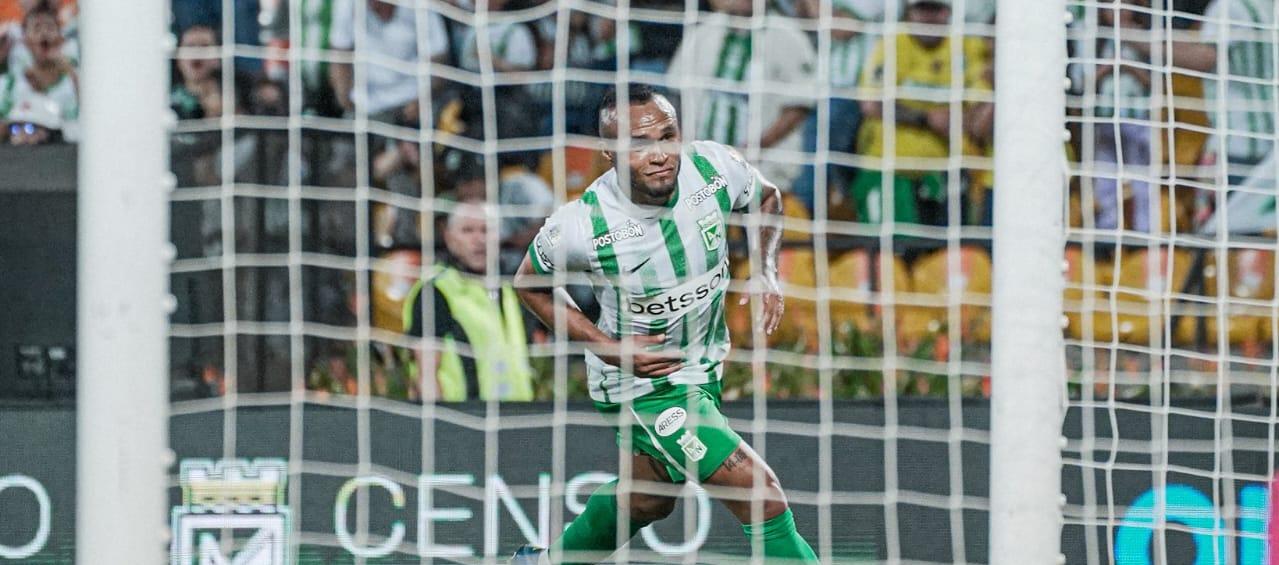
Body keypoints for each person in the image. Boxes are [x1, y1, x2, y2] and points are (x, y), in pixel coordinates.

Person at [510, 84, 817, 564]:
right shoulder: (582, 224)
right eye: (639, 145)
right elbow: (529, 282)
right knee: (760, 495)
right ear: (610, 152)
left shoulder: (713, 168)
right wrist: (608, 347)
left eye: (668, 137)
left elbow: (767, 198)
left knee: (650, 498)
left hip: (703, 365)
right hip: (641, 384)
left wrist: (766, 268)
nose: (659, 156)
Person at [852, 0, 992, 226]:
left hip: (948, 172)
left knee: (946, 254)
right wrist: (926, 119)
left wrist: (963, 119)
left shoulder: (967, 47)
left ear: (948, 12)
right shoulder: (892, 44)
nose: (929, 17)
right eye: (922, 9)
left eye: (936, 9)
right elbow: (870, 103)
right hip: (890, 170)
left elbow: (980, 104)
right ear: (908, 13)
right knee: (891, 254)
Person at [666, 0, 816, 190]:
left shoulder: (788, 35)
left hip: (765, 171)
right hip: (700, 168)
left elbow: (798, 106)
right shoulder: (704, 30)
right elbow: (677, 94)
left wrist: (750, 149)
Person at [402, 198, 535, 402]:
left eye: (485, 230)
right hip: (463, 423)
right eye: (467, 230)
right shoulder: (435, 291)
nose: (478, 239)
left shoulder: (509, 292)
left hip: (516, 422)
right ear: (449, 238)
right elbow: (426, 374)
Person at [0, 2, 76, 139]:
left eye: (50, 27)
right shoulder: (8, 85)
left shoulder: (72, 83)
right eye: (37, 28)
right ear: (24, 40)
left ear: (61, 38)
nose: (44, 33)